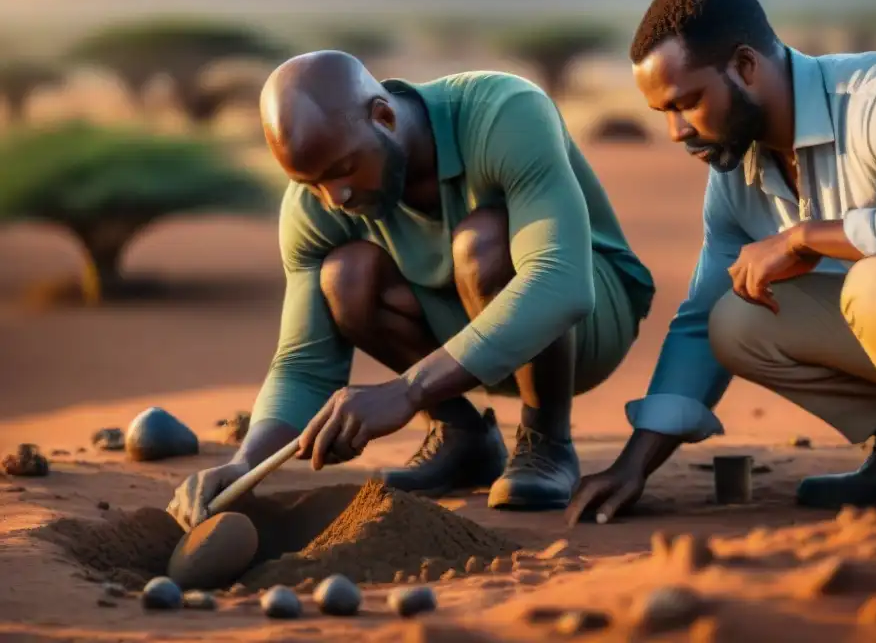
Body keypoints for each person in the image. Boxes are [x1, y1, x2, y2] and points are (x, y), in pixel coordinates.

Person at [567, 0, 876, 526]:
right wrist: (634, 465)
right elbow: (699, 318)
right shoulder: (738, 167)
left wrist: (805, 236)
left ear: (745, 66)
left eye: (687, 103)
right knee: (733, 319)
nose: (675, 131)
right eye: (663, 112)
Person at [167, 51, 655, 529]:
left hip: (586, 321)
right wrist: (244, 465)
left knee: (481, 242)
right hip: (462, 340)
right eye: (309, 183)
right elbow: (303, 364)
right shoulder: (318, 204)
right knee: (344, 275)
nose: (335, 198)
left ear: (383, 116)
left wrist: (408, 390)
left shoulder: (503, 114)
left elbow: (561, 282)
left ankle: (545, 439)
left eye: (342, 169)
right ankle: (459, 435)